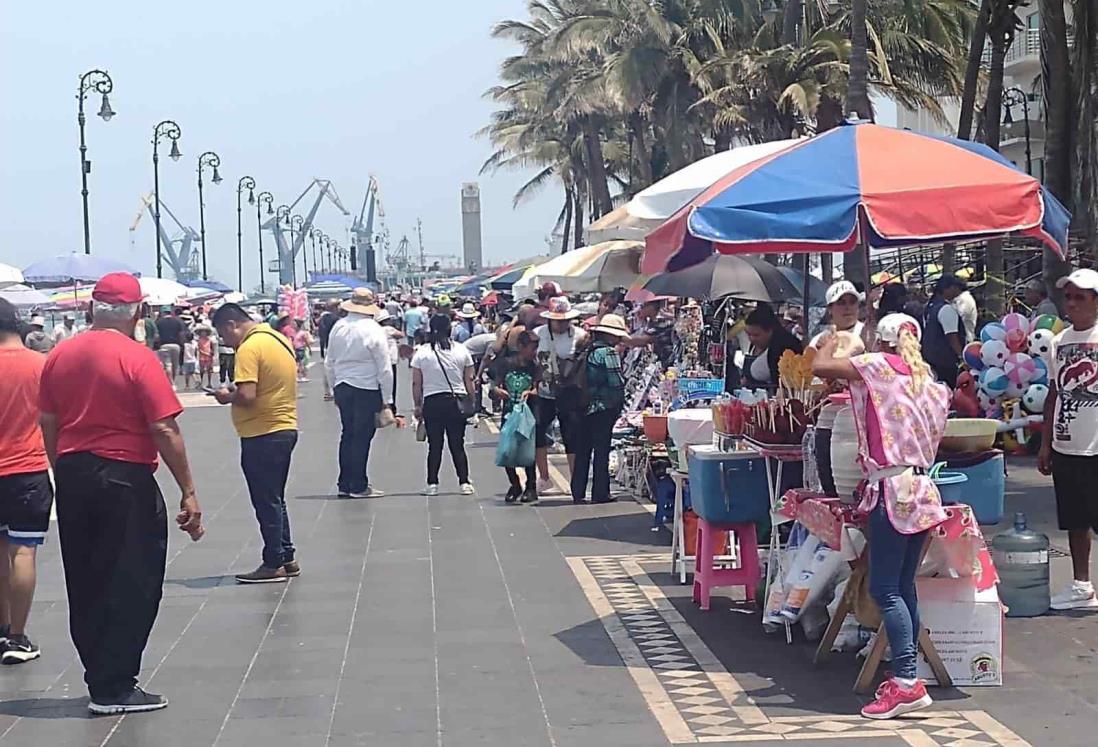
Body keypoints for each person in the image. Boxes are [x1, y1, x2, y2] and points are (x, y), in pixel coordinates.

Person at [39, 273, 203, 714]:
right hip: (123, 475)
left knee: (86, 575)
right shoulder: (137, 358)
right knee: (134, 576)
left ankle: (100, 676)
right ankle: (115, 685)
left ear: (93, 309)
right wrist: (188, 489)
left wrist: (64, 468)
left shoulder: (59, 356)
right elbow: (164, 427)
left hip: (74, 472)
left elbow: (49, 422)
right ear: (139, 312)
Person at [813, 313, 950, 720]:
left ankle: (907, 680)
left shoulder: (878, 367)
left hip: (892, 489)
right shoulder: (930, 383)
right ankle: (908, 675)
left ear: (883, 341)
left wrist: (832, 337)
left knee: (886, 589)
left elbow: (820, 367)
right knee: (904, 587)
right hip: (923, 489)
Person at [211, 303, 300, 584]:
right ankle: (286, 556)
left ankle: (273, 561)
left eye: (223, 336)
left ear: (231, 325)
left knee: (265, 499)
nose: (225, 342)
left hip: (262, 431)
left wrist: (226, 395)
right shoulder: (278, 339)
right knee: (275, 497)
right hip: (284, 426)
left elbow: (248, 394)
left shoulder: (249, 348)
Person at [1038, 268, 1098, 609]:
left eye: (1080, 296)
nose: (1072, 303)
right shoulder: (1058, 342)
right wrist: (1046, 444)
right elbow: (1053, 394)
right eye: (1069, 296)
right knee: (1075, 520)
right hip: (1067, 444)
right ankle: (1081, 585)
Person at [0, 299, 52, 664]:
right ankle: (17, 638)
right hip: (28, 470)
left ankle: (2, 628)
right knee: (22, 551)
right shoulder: (42, 366)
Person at [324, 289, 393, 499]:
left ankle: (344, 483)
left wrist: (334, 388)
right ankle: (358, 485)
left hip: (343, 385)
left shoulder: (339, 326)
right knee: (362, 437)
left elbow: (329, 362)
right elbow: (384, 367)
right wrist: (387, 400)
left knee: (348, 434)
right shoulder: (373, 329)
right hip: (366, 386)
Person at [411, 314, 476, 496]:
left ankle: (432, 484)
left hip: (432, 402)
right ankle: (464, 482)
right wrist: (472, 401)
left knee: (435, 445)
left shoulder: (422, 352)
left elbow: (417, 383)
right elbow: (469, 379)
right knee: (457, 444)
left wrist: (417, 405)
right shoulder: (461, 350)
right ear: (450, 329)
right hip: (456, 401)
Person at [571, 314, 628, 504]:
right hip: (602, 407)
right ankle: (600, 492)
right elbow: (616, 382)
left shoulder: (587, 349)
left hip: (583, 405)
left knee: (583, 450)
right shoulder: (608, 353)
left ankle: (577, 491)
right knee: (601, 450)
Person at [534, 297, 587, 494]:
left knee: (572, 436)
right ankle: (544, 477)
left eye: (566, 320)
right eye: (559, 321)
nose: (562, 324)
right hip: (544, 392)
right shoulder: (538, 335)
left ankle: (575, 480)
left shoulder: (580, 336)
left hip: (570, 393)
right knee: (539, 432)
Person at [493, 330, 541, 503]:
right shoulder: (505, 364)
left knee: (527, 451)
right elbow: (494, 386)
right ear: (520, 346)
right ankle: (514, 484)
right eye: (532, 348)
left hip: (529, 414)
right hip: (509, 412)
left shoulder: (535, 366)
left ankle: (531, 486)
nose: (534, 352)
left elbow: (540, 387)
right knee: (508, 451)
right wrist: (498, 391)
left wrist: (531, 392)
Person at [921, 274, 967, 388]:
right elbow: (952, 336)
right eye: (956, 288)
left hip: (931, 357)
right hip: (947, 361)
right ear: (948, 288)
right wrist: (962, 357)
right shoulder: (946, 309)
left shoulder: (930, 307)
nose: (958, 292)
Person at [742, 305, 803, 390]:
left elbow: (780, 382)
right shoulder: (765, 345)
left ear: (770, 331)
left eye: (756, 335)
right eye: (748, 334)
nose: (751, 339)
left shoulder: (782, 346)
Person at [809, 281, 864, 348]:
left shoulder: (868, 334)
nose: (848, 307)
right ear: (830, 308)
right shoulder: (818, 341)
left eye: (852, 302)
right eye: (841, 303)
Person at [374, 309, 405, 411]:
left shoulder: (376, 330)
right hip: (391, 360)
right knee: (392, 384)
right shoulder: (388, 329)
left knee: (381, 384)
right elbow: (401, 335)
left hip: (379, 360)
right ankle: (391, 406)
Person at [155, 308, 185, 386]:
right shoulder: (177, 321)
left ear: (162, 313)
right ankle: (173, 382)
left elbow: (157, 335)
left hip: (164, 345)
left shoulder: (158, 322)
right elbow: (181, 334)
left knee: (167, 365)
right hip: (176, 345)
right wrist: (182, 344)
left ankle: (170, 383)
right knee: (175, 365)